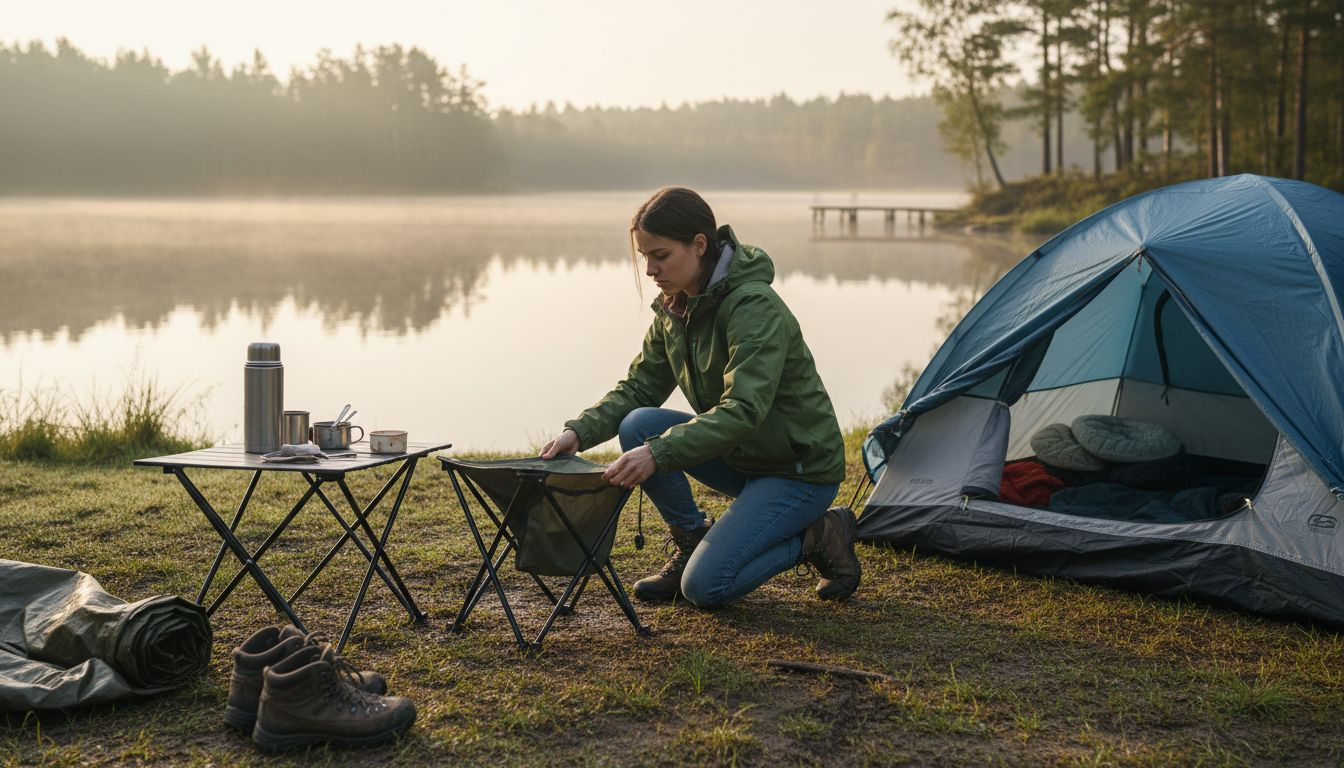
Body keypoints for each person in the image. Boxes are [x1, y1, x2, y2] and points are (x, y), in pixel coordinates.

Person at [539, 186, 859, 608]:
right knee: (638, 423)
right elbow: (639, 388)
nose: (651, 269)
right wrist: (578, 433)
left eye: (661, 255)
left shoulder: (752, 306)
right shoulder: (676, 308)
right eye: (644, 257)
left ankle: (819, 535)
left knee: (706, 587)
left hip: (797, 470)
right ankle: (691, 537)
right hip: (744, 458)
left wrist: (659, 454)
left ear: (700, 245)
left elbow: (744, 409)